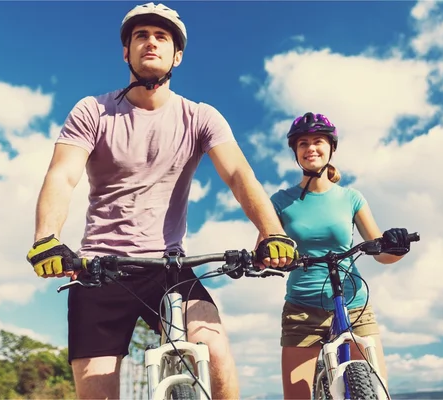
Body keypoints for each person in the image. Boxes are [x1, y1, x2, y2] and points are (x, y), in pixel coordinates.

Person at [25, 3, 298, 399]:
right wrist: (45, 237)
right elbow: (62, 175)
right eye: (140, 36)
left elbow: (239, 176)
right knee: (97, 391)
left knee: (215, 351)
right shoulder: (93, 111)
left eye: (161, 36)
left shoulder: (201, 117)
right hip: (100, 268)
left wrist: (271, 231)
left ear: (177, 55)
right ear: (126, 52)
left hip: (167, 266)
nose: (150, 42)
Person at [261, 112, 412, 399]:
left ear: (331, 148)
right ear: (295, 152)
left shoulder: (351, 198)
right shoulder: (280, 202)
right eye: (303, 143)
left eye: (318, 141)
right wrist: (268, 255)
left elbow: (380, 251)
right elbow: (265, 250)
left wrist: (397, 247)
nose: (311, 148)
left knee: (378, 392)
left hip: (353, 303)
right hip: (302, 308)